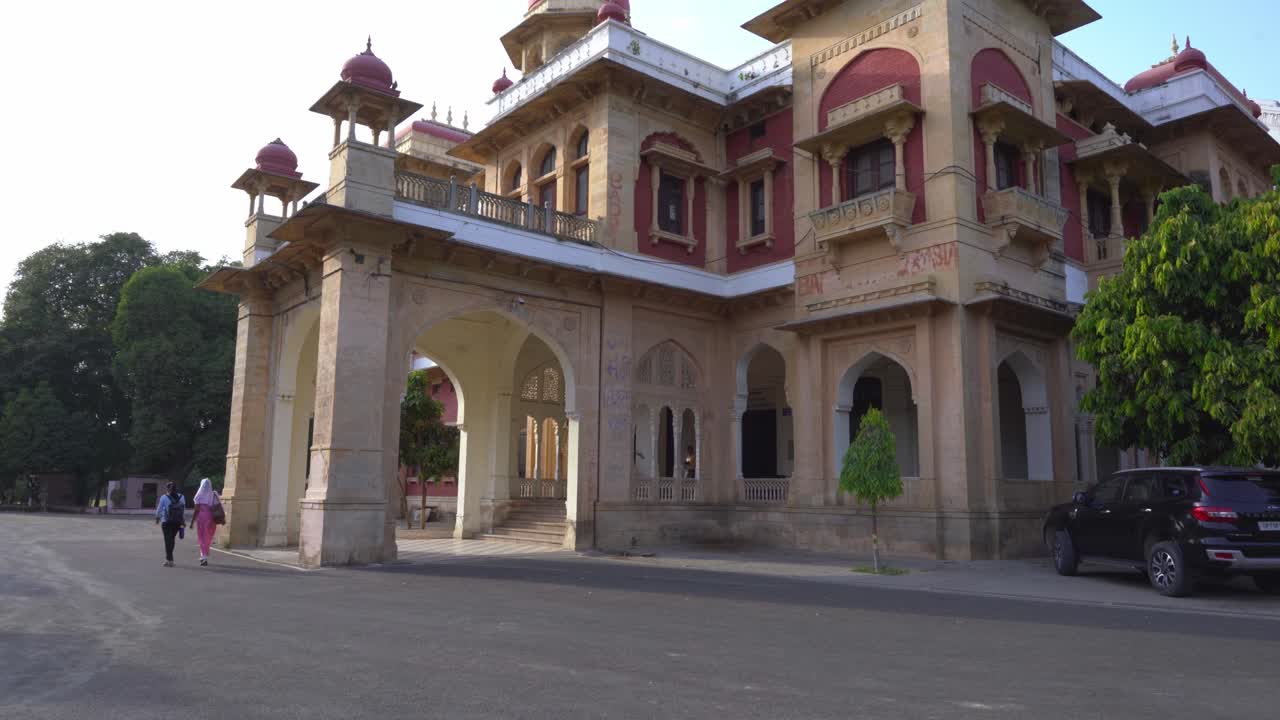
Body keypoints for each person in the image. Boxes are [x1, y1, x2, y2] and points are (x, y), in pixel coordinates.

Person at [190, 478, 221, 567]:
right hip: (211, 518)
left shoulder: (198, 496)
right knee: (208, 537)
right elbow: (217, 506)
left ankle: (203, 556)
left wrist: (192, 521)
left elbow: (196, 510)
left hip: (201, 518)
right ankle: (204, 555)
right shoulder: (214, 494)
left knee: (202, 537)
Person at [154, 482, 186, 567]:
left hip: (166, 522)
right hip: (177, 522)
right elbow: (183, 510)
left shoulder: (164, 497)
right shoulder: (182, 497)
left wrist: (157, 519)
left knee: (168, 541)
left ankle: (169, 560)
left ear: (168, 489)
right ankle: (169, 559)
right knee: (171, 539)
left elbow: (159, 510)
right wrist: (183, 521)